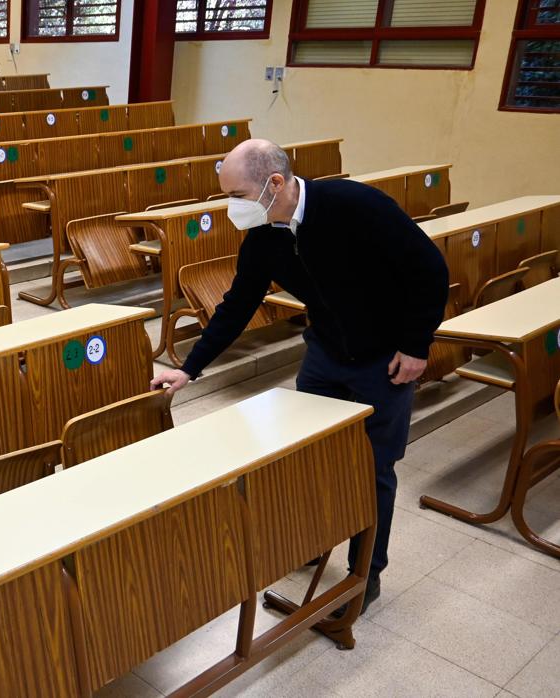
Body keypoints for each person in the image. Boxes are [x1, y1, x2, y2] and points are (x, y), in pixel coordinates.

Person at [151, 139, 449, 613]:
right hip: (326, 355)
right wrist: (189, 367)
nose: (232, 208)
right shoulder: (265, 237)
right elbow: (237, 304)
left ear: (275, 184)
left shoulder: (355, 206)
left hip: (385, 360)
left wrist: (416, 345)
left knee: (374, 469)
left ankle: (365, 572)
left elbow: (430, 270)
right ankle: (312, 541)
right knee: (307, 457)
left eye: (238, 196)